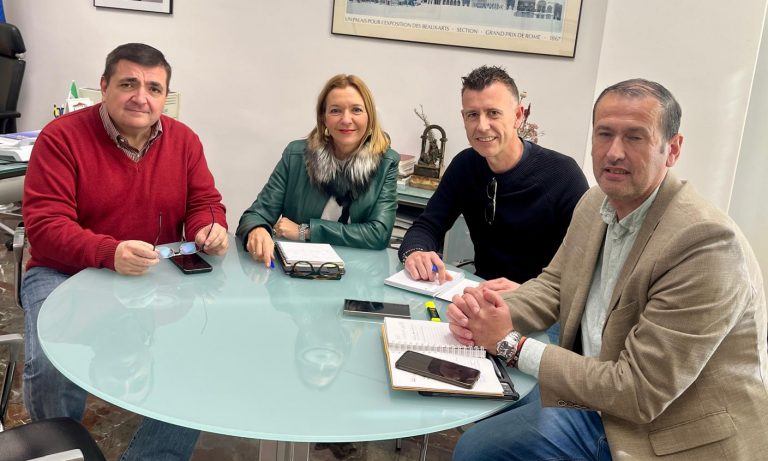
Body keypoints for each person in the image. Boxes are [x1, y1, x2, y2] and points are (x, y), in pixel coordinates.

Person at [448, 79, 768, 460]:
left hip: (663, 432)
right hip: (597, 401)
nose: (614, 152)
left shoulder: (706, 244)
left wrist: (509, 344)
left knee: (478, 449)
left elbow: (637, 391)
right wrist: (486, 314)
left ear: (672, 149)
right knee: (485, 430)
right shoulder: (595, 202)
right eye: (604, 134)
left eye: (635, 137)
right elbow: (556, 284)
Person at [21, 43, 229, 461]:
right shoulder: (60, 138)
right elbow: (45, 226)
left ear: (165, 96)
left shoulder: (184, 141)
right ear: (104, 86)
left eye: (154, 88)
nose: (141, 97)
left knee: (202, 356)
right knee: (49, 363)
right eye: (128, 84)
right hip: (63, 271)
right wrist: (108, 251)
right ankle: (61, 452)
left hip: (153, 271)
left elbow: (205, 201)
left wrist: (209, 226)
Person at [398, 65, 588, 293]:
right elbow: (428, 225)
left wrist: (526, 294)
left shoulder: (563, 175)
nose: (482, 126)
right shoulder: (465, 166)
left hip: (542, 303)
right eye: (473, 115)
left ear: (518, 116)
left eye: (493, 113)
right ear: (463, 118)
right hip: (481, 294)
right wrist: (416, 252)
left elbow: (584, 268)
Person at [236, 74, 399, 267]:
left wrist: (306, 231)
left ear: (369, 117)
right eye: (335, 111)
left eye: (356, 110)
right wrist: (257, 229)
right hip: (298, 269)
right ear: (323, 118)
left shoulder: (386, 162)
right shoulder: (296, 155)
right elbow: (255, 215)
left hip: (358, 270)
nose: (346, 120)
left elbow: (379, 234)